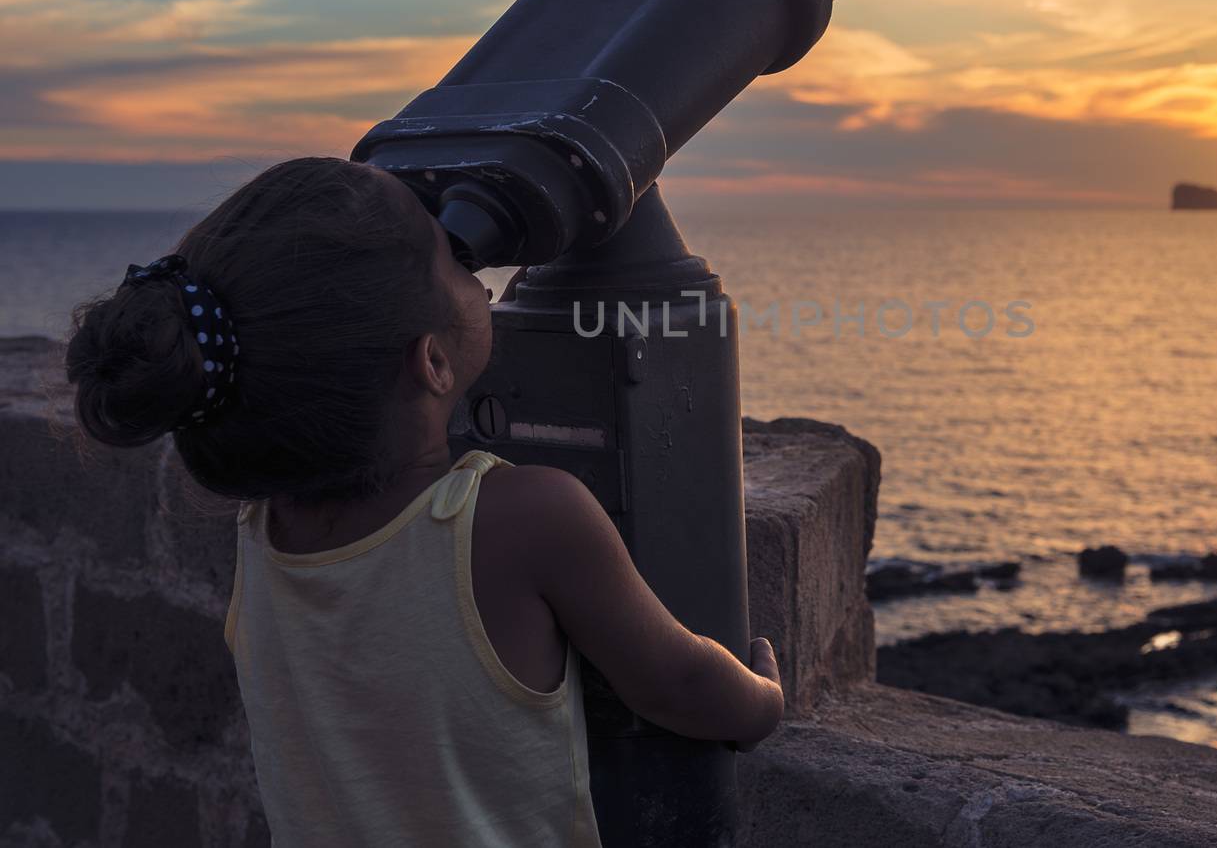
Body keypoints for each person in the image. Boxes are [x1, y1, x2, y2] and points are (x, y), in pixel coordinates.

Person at [64, 156, 783, 846]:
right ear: (433, 360)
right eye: (455, 260)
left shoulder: (265, 530)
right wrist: (760, 702)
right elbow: (677, 682)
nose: (479, 275)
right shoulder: (527, 518)